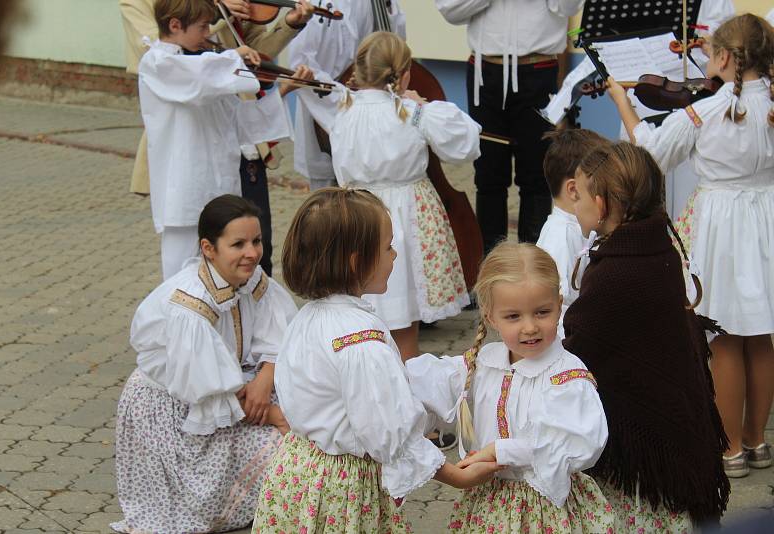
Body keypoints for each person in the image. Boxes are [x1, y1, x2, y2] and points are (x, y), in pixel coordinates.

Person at [252, 188, 502, 533]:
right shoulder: (361, 341)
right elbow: (387, 432)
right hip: (342, 486)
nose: (395, 254)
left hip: (299, 471)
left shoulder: (307, 318)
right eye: (387, 247)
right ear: (357, 261)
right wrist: (454, 475)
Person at [607, 13, 774, 479]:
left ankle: (732, 448)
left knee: (722, 337)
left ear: (724, 57)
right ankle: (758, 440)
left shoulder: (704, 112)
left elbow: (651, 156)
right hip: (767, 222)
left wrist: (626, 106)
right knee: (759, 335)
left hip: (724, 225)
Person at [563, 142, 729, 530]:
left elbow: (582, 350)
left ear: (601, 206)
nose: (576, 204)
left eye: (582, 195)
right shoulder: (658, 249)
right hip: (673, 435)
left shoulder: (615, 272)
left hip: (647, 463)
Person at [112, 195, 298, 533]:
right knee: (289, 445)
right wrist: (272, 415)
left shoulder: (252, 279)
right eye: (238, 244)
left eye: (256, 241)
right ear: (208, 249)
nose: (252, 253)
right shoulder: (191, 307)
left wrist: (266, 376)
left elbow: (280, 337)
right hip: (177, 413)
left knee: (308, 415)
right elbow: (205, 389)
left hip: (231, 393)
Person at [405, 242, 613, 532]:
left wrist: (501, 451)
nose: (529, 327)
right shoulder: (483, 363)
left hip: (544, 509)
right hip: (487, 503)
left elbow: (577, 443)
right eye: (513, 316)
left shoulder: (566, 375)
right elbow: (424, 385)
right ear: (491, 317)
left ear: (559, 304)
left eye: (542, 312)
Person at [119, 0, 314, 276]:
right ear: (175, 26)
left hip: (221, 191)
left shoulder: (207, 69)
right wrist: (236, 56)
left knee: (229, 278)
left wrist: (284, 91)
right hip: (185, 199)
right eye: (202, 27)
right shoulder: (158, 63)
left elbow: (239, 124)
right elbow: (202, 76)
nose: (208, 33)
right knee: (185, 281)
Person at [329, 32, 479, 360]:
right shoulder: (411, 112)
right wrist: (423, 105)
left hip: (357, 215)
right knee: (404, 329)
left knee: (359, 316)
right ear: (404, 75)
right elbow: (466, 143)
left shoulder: (343, 110)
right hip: (406, 218)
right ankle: (408, 387)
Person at [435, 0, 583, 247]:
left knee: (537, 176)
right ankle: (491, 268)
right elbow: (450, 10)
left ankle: (533, 269)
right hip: (485, 72)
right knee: (488, 175)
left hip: (537, 68)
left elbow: (567, 7)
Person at [288, 0, 405, 190]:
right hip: (325, 108)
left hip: (372, 102)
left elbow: (396, 45)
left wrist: (388, 6)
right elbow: (300, 63)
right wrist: (348, 98)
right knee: (328, 194)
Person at [536, 129, 609, 337]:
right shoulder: (561, 237)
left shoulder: (581, 226)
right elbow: (558, 310)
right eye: (603, 182)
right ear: (574, 190)